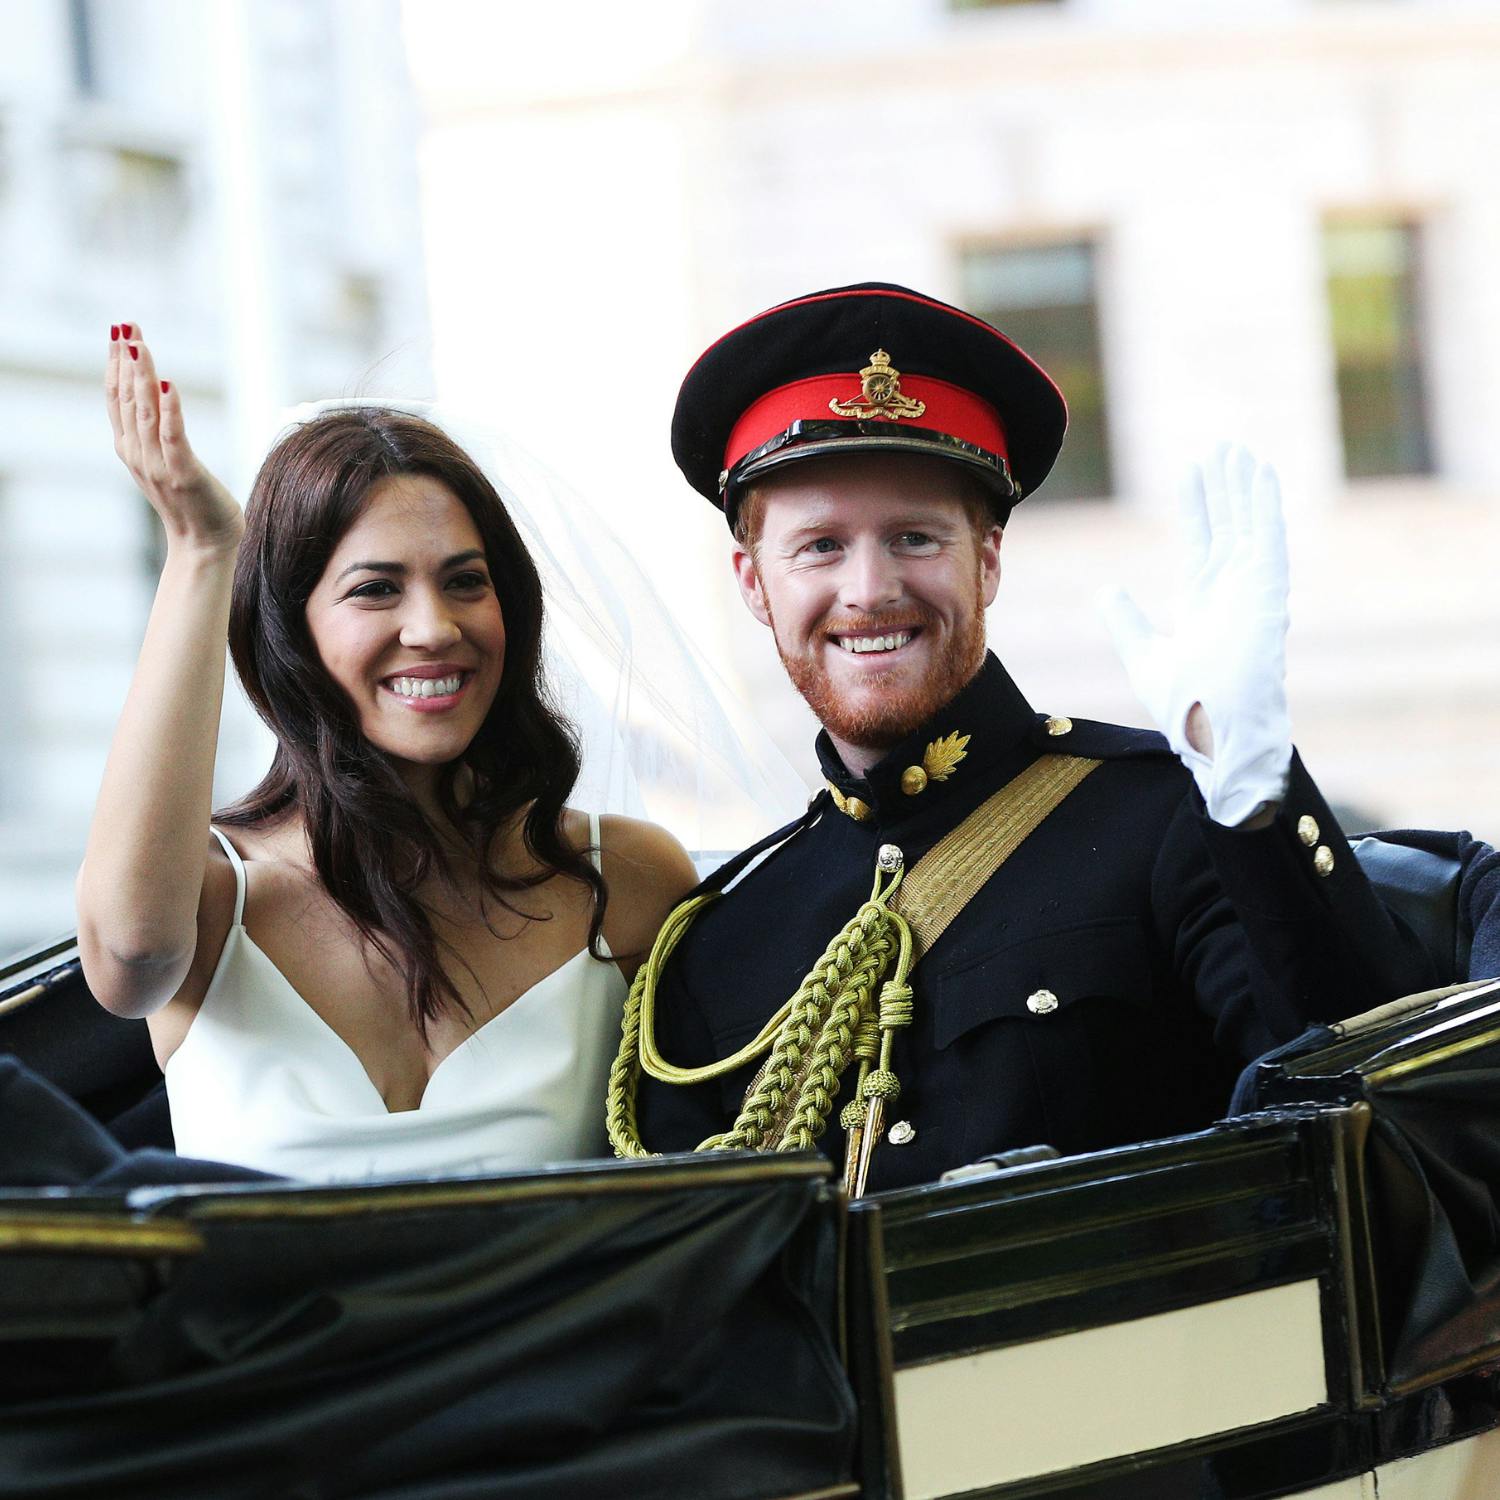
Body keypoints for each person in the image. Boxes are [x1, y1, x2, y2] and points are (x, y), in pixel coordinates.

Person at [610, 281, 1441, 1193]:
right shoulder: (719, 943)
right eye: (820, 547)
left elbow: (1373, 1112)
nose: (870, 589)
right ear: (753, 583)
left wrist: (1250, 789)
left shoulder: (1167, 818)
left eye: (915, 538)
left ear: (988, 560)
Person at [75, 324, 698, 1183]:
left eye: (466, 581)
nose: (433, 628)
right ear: (292, 630)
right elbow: (128, 961)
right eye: (375, 589)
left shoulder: (626, 879)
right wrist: (204, 549)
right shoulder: (210, 900)